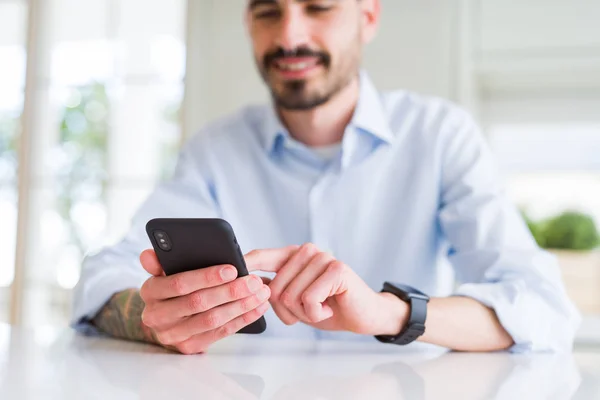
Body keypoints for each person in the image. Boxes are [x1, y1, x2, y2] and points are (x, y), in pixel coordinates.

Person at [72, 0, 580, 355]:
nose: (290, 35)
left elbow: (542, 307)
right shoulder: (214, 150)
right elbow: (100, 279)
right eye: (268, 10)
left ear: (369, 15)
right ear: (249, 22)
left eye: (318, 6)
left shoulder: (440, 135)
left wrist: (387, 313)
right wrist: (152, 318)